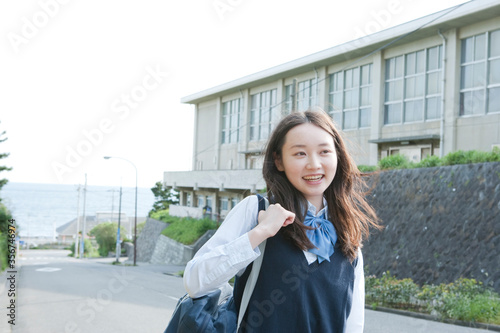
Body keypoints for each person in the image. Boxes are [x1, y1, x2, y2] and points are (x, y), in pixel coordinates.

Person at [183, 109, 380, 332]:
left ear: (337, 156)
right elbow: (195, 283)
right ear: (278, 160)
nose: (314, 164)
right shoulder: (255, 210)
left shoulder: (346, 233)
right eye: (300, 154)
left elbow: (353, 326)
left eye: (324, 151)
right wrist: (261, 231)